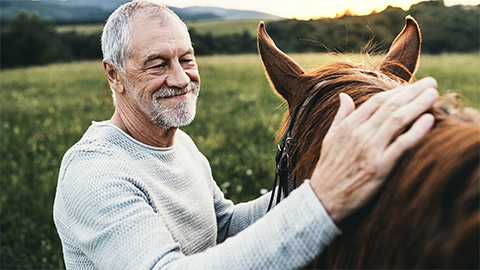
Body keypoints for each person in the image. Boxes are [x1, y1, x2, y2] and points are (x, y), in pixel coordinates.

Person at [53, 1, 439, 269]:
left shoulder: (178, 145)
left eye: (186, 59)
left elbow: (221, 228)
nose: (179, 77)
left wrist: (311, 181)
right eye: (156, 64)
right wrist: (322, 200)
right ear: (113, 75)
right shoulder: (96, 175)